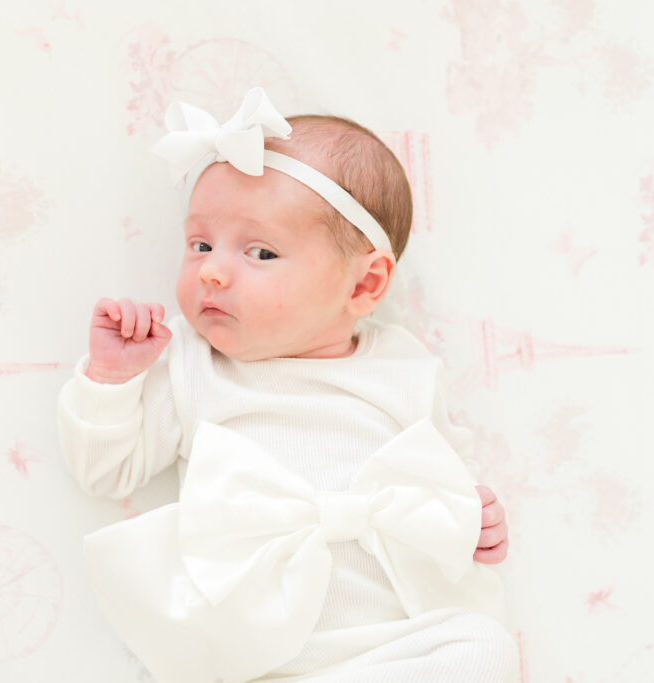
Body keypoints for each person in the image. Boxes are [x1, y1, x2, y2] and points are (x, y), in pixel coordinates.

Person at [56, 87, 517, 682]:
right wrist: (111, 380)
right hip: (247, 654)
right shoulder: (194, 364)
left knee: (483, 647)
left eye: (261, 252)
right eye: (200, 244)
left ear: (363, 286)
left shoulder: (404, 366)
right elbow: (103, 470)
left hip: (390, 646)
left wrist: (473, 518)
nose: (213, 270)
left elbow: (442, 479)